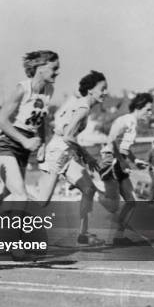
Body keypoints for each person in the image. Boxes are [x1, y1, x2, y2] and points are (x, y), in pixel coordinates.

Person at [38, 71, 108, 245]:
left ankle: (83, 234)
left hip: (66, 153)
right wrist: (87, 157)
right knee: (42, 202)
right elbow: (69, 135)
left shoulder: (80, 103)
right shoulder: (83, 107)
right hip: (58, 152)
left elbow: (60, 124)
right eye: (102, 89)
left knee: (89, 189)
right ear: (91, 90)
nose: (105, 92)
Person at [0, 51, 59, 201]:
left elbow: (40, 119)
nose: (57, 72)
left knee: (10, 195)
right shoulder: (22, 89)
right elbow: (1, 120)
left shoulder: (49, 91)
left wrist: (42, 142)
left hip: (24, 149)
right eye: (54, 68)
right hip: (7, 144)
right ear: (40, 68)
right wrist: (25, 141)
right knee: (20, 196)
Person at [99, 93, 153, 245]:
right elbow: (112, 141)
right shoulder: (126, 120)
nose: (150, 113)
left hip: (119, 161)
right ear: (138, 107)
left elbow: (124, 147)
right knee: (113, 205)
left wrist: (135, 160)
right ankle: (91, 191)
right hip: (111, 160)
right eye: (148, 110)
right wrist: (122, 161)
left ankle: (118, 237)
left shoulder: (133, 123)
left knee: (131, 202)